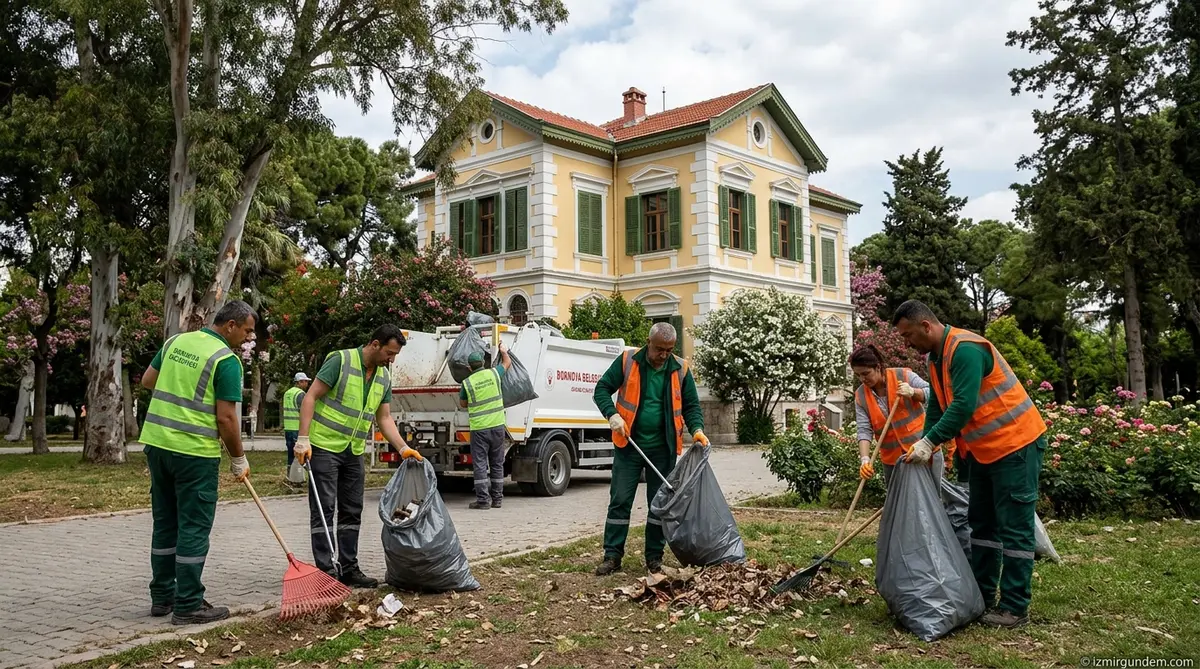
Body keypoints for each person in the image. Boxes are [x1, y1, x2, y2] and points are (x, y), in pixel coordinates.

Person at [892, 300, 1047, 629]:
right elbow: (937, 407)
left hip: (1015, 445)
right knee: (981, 524)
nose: (906, 343)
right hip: (981, 452)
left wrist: (930, 442)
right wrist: (926, 443)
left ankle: (1015, 607)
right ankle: (983, 594)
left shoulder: (965, 349)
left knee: (1014, 528)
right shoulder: (935, 359)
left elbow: (963, 405)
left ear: (926, 326)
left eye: (908, 336)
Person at [138, 300, 257, 625]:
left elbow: (148, 381)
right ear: (229, 325)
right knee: (193, 526)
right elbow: (227, 419)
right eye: (247, 332)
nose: (248, 339)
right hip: (194, 454)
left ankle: (163, 597)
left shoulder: (176, 341)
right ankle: (188, 603)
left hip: (157, 446)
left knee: (165, 524)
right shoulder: (226, 361)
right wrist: (238, 459)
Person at [293, 324, 423, 589]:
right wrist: (303, 439)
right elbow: (311, 397)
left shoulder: (384, 377)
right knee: (324, 509)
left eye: (395, 355)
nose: (392, 359)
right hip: (324, 447)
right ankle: (327, 570)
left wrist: (402, 448)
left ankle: (349, 567)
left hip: (353, 452)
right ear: (374, 344)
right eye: (389, 353)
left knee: (352, 510)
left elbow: (384, 418)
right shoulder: (340, 361)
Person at [592, 322, 707, 576]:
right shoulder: (628, 360)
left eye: (668, 350)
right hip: (628, 445)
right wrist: (612, 415)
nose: (663, 355)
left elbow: (691, 406)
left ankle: (654, 557)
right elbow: (601, 389)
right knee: (620, 500)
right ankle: (612, 556)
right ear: (648, 342)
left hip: (663, 448)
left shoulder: (681, 368)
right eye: (659, 349)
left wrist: (697, 429)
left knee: (659, 504)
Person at [850, 344, 942, 487]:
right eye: (858, 375)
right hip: (893, 460)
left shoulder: (903, 376)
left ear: (878, 367)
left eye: (866, 373)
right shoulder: (860, 396)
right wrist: (865, 459)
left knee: (931, 501)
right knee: (898, 503)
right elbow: (864, 430)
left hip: (922, 450)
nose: (862, 379)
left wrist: (913, 392)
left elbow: (934, 393)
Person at [458, 344, 513, 510]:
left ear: (469, 367)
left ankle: (483, 501)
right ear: (483, 362)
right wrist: (503, 351)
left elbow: (462, 404)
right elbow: (507, 362)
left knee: (480, 465)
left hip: (479, 430)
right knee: (497, 464)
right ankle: (497, 500)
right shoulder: (494, 373)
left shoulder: (466, 383)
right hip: (497, 427)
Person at [282, 372, 311, 468]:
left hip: (288, 428)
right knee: (302, 454)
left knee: (291, 454)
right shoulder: (301, 394)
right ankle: (304, 475)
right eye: (306, 382)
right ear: (300, 382)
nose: (307, 384)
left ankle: (290, 475)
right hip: (297, 429)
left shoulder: (287, 393)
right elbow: (304, 411)